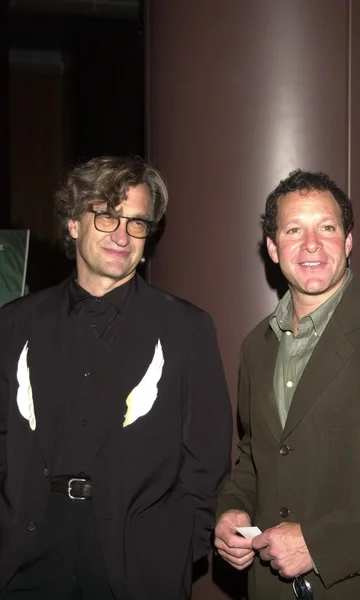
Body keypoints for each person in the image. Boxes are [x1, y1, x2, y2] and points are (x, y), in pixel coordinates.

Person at [0, 155, 232, 600]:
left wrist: (179, 545)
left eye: (137, 222)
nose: (122, 235)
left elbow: (207, 457)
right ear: (73, 224)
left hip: (139, 566)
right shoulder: (15, 324)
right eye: (106, 216)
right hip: (24, 556)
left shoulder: (187, 328)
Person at [214, 169, 360, 599]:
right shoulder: (257, 346)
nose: (311, 244)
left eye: (326, 228)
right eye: (295, 230)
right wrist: (231, 510)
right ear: (273, 249)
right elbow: (254, 454)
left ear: (348, 242)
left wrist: (319, 543)